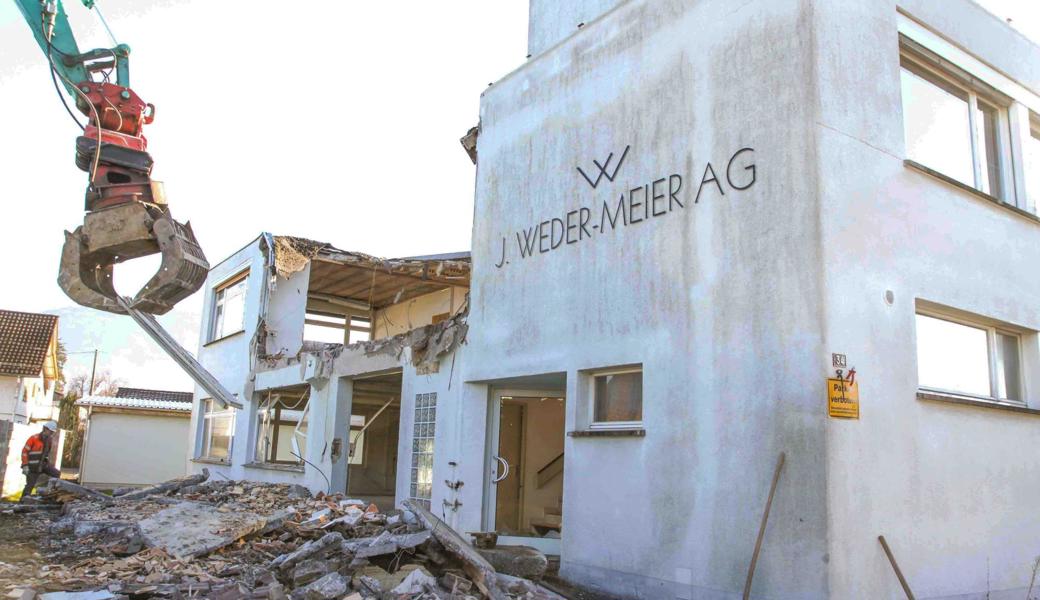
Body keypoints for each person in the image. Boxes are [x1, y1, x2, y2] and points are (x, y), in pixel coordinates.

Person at [21, 420, 60, 500]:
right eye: (51, 431)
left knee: (56, 474)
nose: (51, 433)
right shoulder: (33, 438)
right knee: (30, 485)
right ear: (45, 429)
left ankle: (50, 494)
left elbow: (46, 454)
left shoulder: (49, 440)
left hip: (42, 465)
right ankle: (22, 501)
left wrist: (47, 463)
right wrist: (25, 465)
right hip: (32, 467)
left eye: (53, 432)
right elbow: (24, 452)